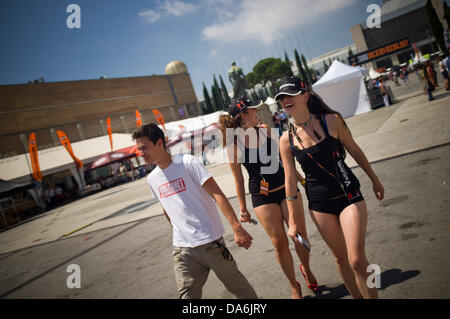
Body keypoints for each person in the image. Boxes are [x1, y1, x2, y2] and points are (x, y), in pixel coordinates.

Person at [275, 76, 385, 299]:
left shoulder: (331, 120)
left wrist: (374, 180)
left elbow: (355, 151)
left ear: (305, 96)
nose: (285, 100)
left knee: (356, 259)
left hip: (348, 194)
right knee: (340, 259)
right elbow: (290, 181)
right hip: (319, 204)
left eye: (290, 95)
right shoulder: (286, 139)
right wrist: (294, 221)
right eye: (281, 98)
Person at [132, 123, 257, 299]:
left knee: (239, 288)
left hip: (211, 242)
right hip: (183, 249)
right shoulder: (152, 179)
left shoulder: (187, 163)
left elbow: (217, 194)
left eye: (144, 147)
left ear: (159, 143)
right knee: (186, 297)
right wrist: (179, 231)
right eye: (139, 149)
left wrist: (237, 228)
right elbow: (167, 208)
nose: (141, 153)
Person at [219, 98, 318, 299]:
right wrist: (243, 208)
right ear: (244, 115)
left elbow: (285, 159)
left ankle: (306, 268)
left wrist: (302, 181)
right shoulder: (233, 143)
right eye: (253, 110)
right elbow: (238, 180)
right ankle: (294, 285)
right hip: (262, 196)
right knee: (279, 243)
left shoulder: (265, 130)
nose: (257, 112)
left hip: (285, 189)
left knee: (299, 235)